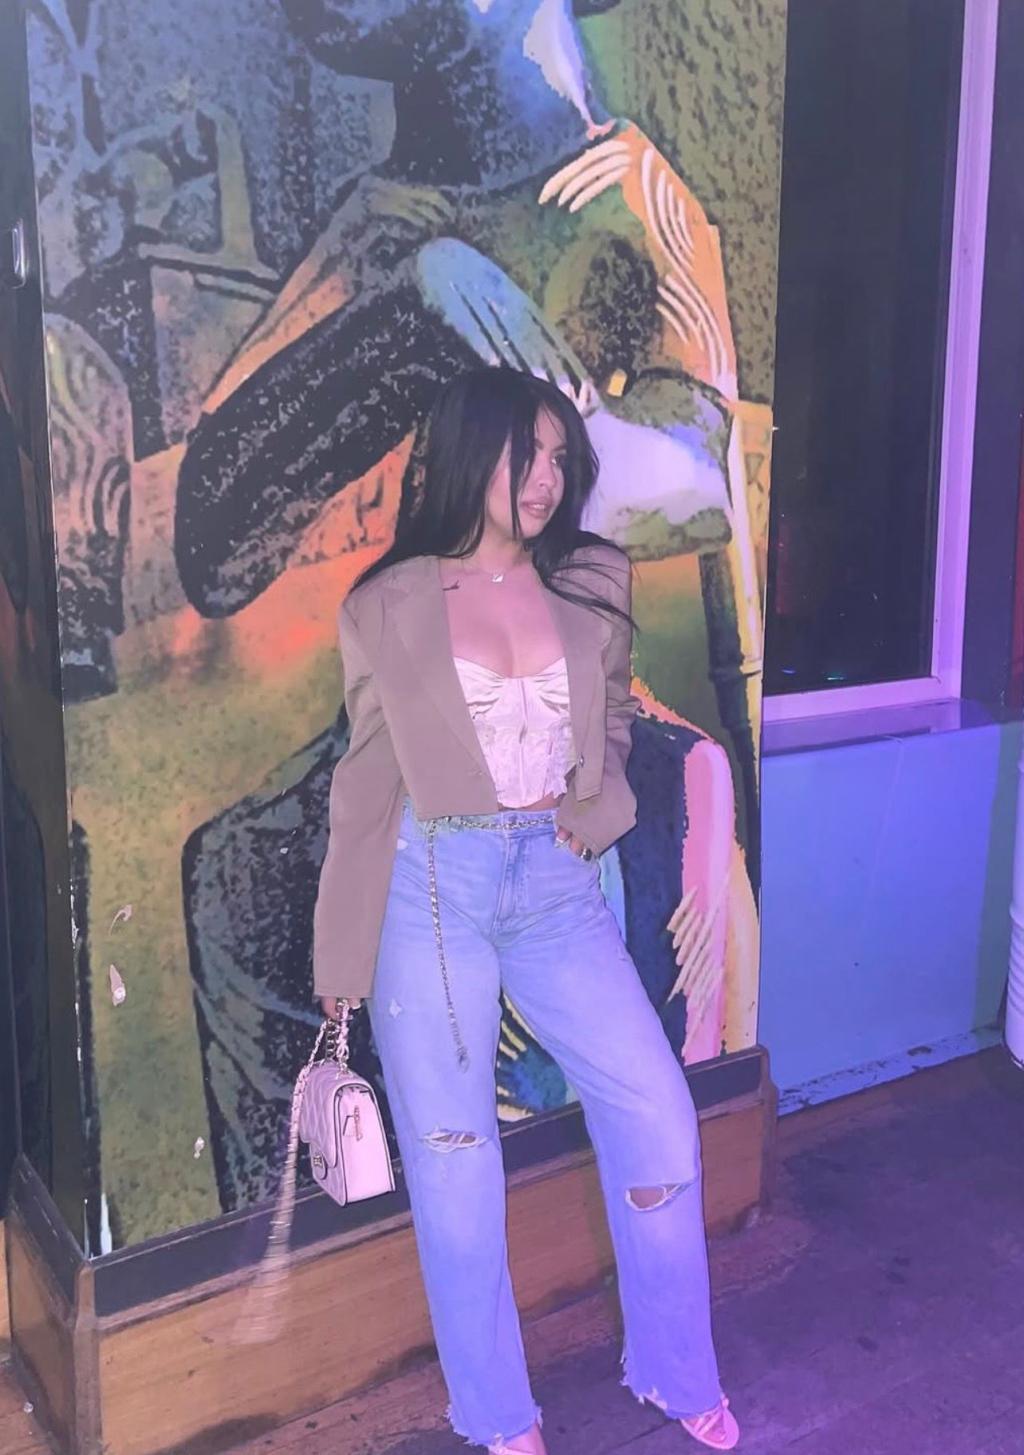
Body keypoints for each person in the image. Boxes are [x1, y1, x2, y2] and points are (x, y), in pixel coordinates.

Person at [314, 367, 739, 1453]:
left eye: (559, 459)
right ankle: (500, 1413)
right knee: (454, 1159)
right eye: (525, 454)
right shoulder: (385, 603)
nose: (546, 479)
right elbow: (366, 784)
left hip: (553, 886)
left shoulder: (591, 578)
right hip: (431, 893)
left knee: (656, 1110)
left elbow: (611, 718)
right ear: (471, 451)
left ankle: (675, 1366)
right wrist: (341, 960)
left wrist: (600, 811)